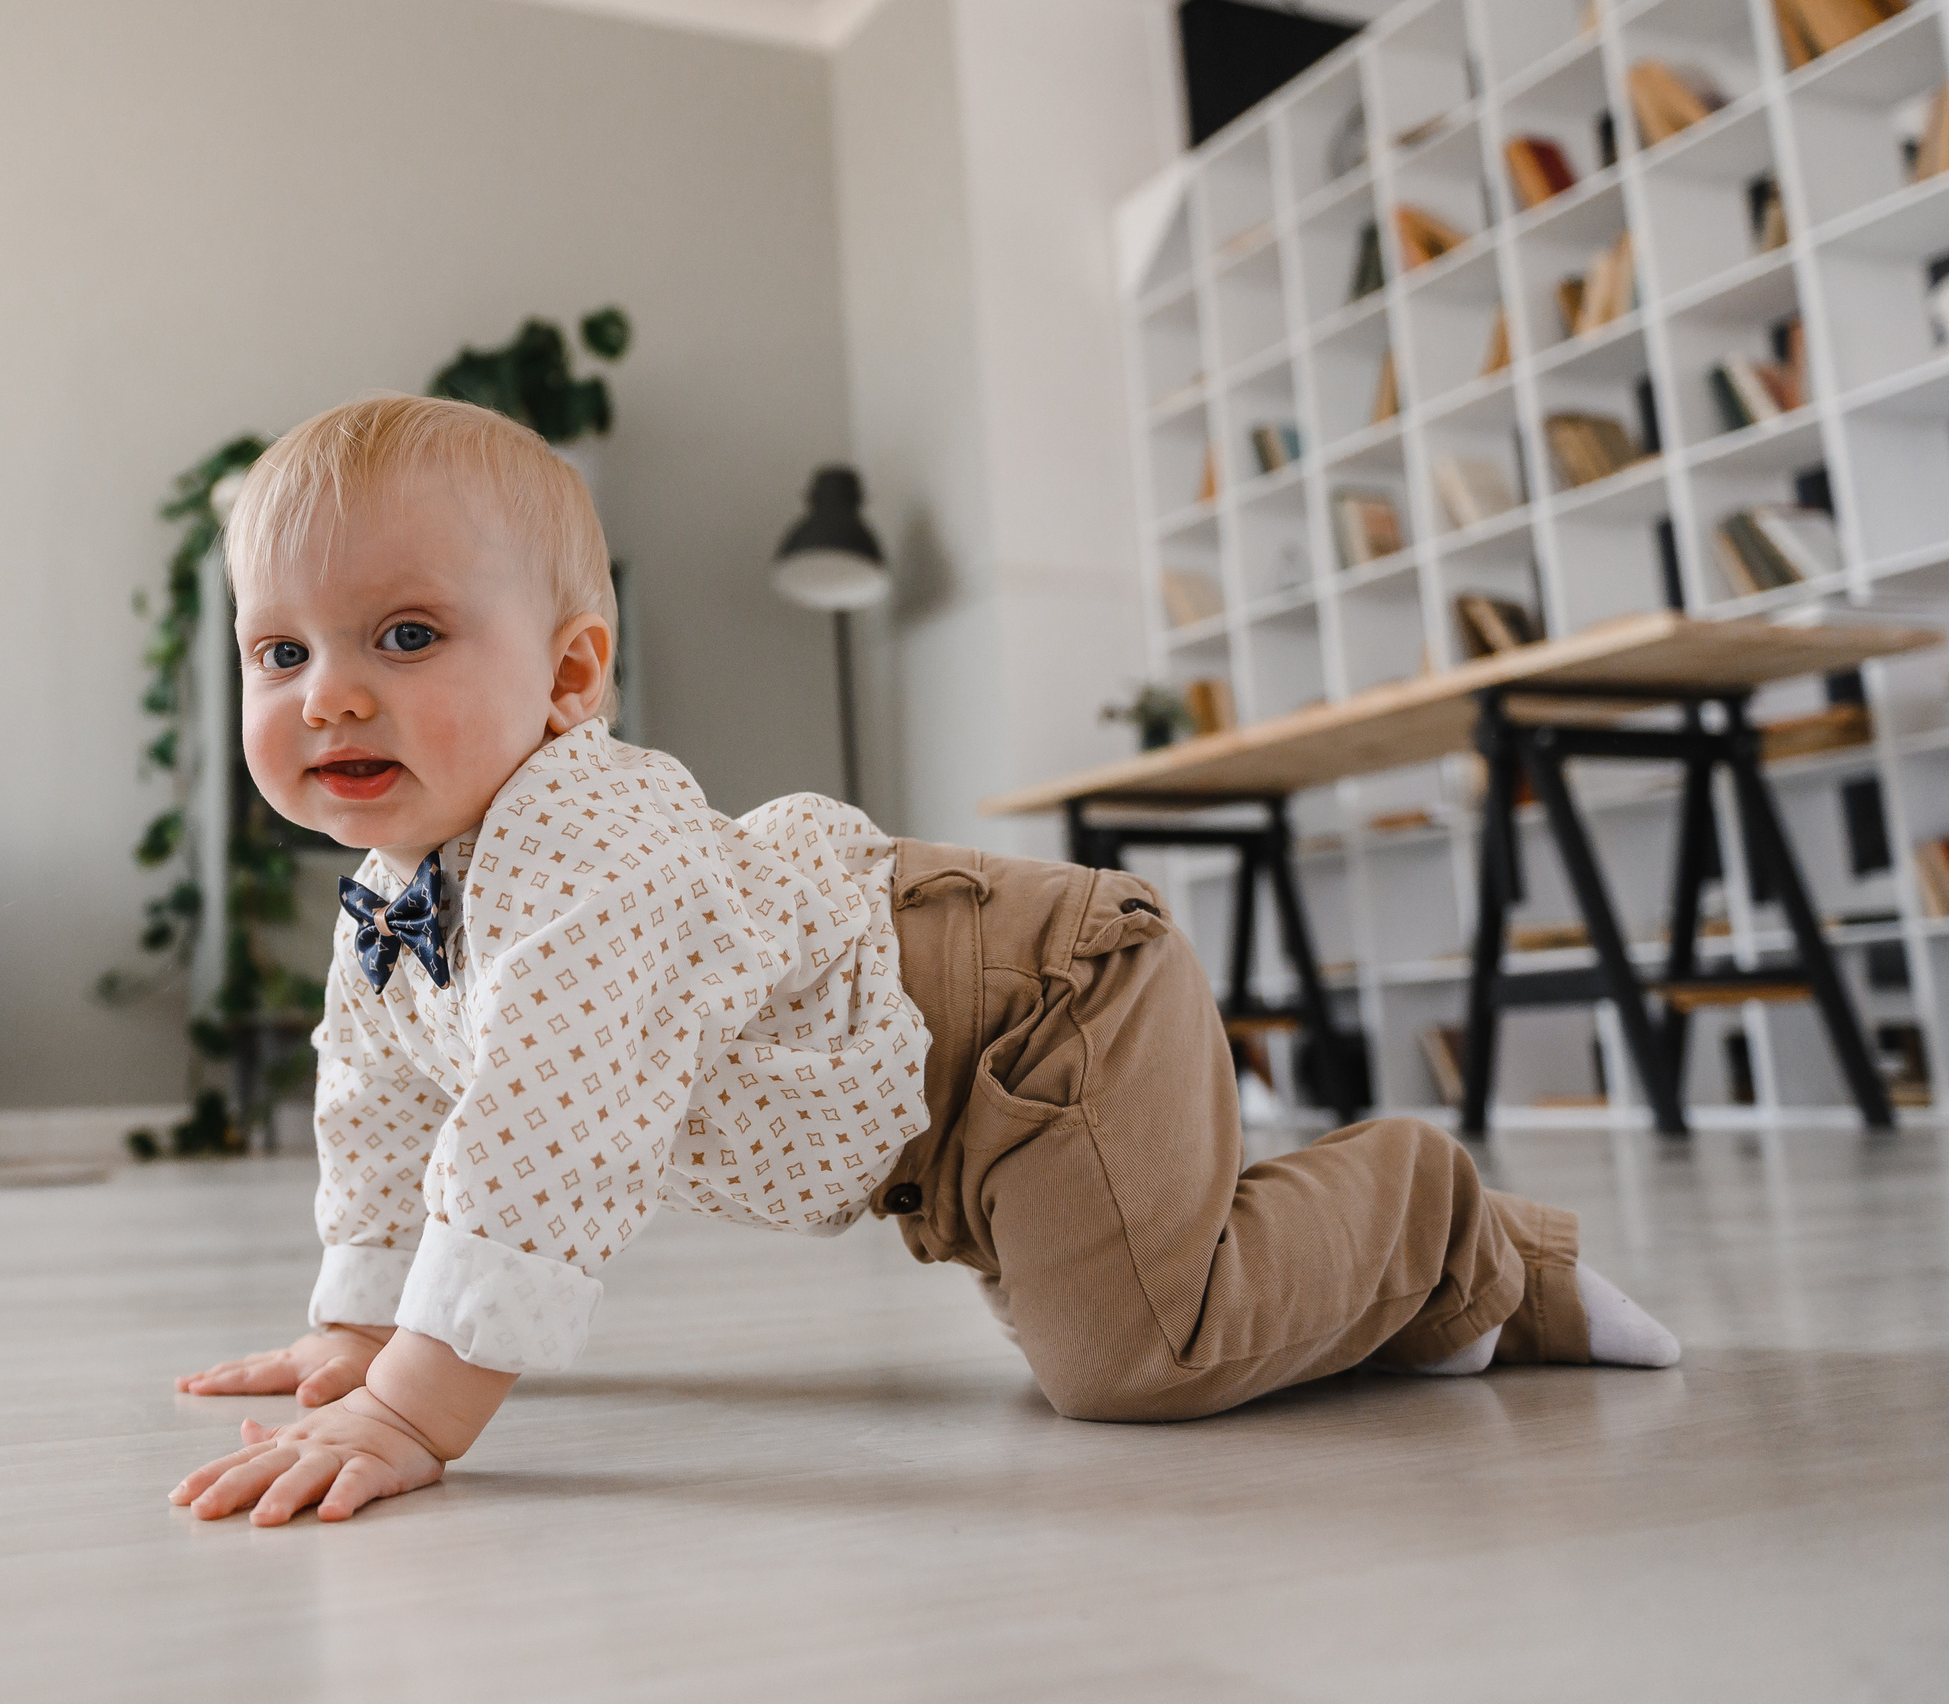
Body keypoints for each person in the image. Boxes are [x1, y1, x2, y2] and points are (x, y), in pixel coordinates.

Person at [168, 395, 1679, 1528]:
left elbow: (535, 1138)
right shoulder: (396, 907)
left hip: (1042, 1000)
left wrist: (411, 1416)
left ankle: (1455, 1232)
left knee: (1137, 1360)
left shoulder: (587, 850)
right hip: (928, 1115)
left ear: (569, 675)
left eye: (407, 636)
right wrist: (350, 1336)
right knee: (1120, 1314)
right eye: (280, 654)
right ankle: (1367, 1264)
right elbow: (382, 1114)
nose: (329, 699)